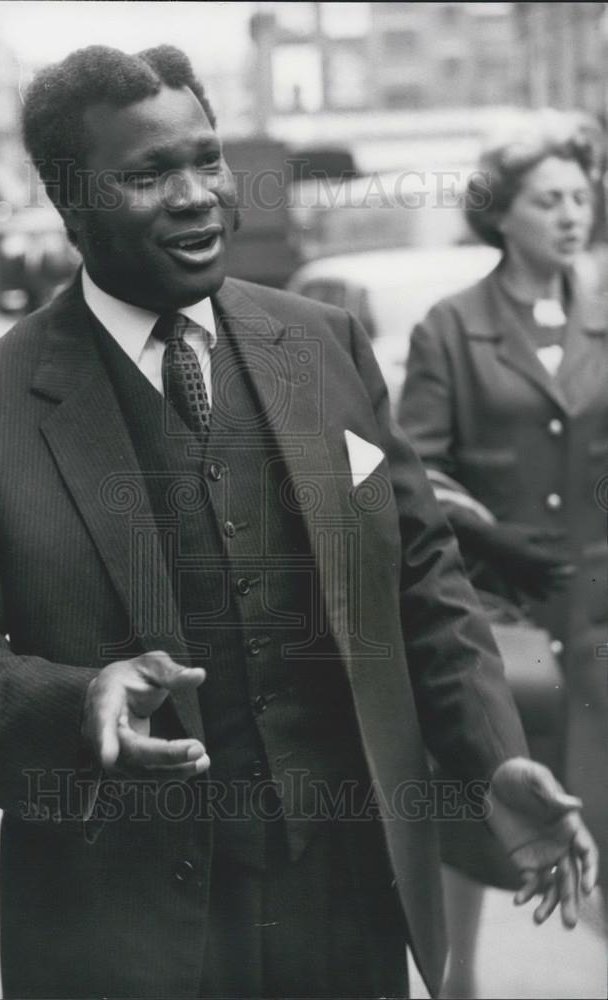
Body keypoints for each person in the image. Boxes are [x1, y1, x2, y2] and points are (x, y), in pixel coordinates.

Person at [0, 48, 599, 1000]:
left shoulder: (323, 343)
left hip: (347, 896)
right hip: (129, 924)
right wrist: (75, 699)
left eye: (207, 160)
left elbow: (421, 574)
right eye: (146, 175)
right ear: (67, 202)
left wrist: (493, 755)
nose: (195, 196)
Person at [398, 111, 608, 998]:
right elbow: (410, 469)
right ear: (501, 214)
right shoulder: (450, 328)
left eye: (581, 196)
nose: (572, 214)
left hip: (599, 613)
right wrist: (486, 538)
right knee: (480, 819)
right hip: (501, 623)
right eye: (547, 199)